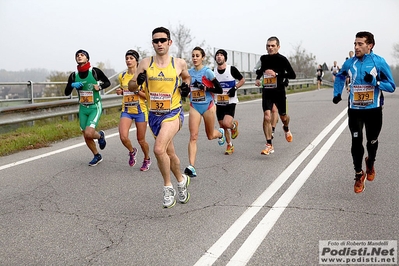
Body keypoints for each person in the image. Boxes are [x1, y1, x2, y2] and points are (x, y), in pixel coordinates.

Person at [128, 27, 191, 208]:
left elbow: (187, 78)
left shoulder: (178, 63)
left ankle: (168, 187)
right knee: (168, 153)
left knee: (157, 149)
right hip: (154, 115)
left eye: (163, 40)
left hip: (173, 113)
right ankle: (181, 180)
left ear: (169, 42)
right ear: (152, 43)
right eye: (156, 41)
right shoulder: (146, 63)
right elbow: (132, 86)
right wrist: (137, 81)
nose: (159, 43)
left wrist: (185, 86)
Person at [332, 31, 396, 194]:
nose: (356, 47)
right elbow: (340, 77)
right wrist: (337, 93)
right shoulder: (350, 63)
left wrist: (375, 82)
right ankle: (358, 174)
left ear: (370, 45)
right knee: (356, 140)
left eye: (360, 44)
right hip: (355, 109)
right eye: (355, 43)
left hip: (373, 110)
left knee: (372, 141)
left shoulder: (378, 62)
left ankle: (371, 163)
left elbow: (391, 86)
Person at [184, 47, 224, 178]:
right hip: (194, 105)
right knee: (193, 136)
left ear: (203, 57)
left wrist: (206, 88)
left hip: (208, 106)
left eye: (197, 55)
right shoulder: (188, 73)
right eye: (193, 55)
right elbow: (184, 86)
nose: (195, 58)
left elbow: (218, 89)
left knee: (210, 135)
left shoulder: (207, 72)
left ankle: (220, 134)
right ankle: (192, 167)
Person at [65, 49, 110, 166]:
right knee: (86, 135)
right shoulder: (74, 75)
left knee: (90, 133)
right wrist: (72, 85)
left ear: (87, 58)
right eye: (77, 55)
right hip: (83, 108)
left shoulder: (94, 71)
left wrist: (99, 86)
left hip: (95, 106)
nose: (79, 57)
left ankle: (100, 135)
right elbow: (66, 92)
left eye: (82, 55)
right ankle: (97, 155)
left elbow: (107, 83)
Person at [255, 36, 296, 155]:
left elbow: (292, 75)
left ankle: (286, 127)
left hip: (279, 92)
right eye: (268, 46)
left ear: (278, 47)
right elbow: (260, 70)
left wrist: (276, 74)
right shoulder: (264, 58)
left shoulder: (282, 59)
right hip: (267, 91)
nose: (270, 48)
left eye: (273, 46)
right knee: (267, 116)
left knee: (283, 117)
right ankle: (269, 144)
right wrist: (258, 79)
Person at [116, 49, 151, 171]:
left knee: (141, 140)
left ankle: (147, 158)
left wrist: (136, 91)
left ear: (137, 60)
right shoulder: (123, 76)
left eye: (131, 58)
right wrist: (120, 91)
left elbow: (148, 97)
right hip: (126, 110)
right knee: (123, 137)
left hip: (140, 111)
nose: (128, 61)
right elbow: (123, 89)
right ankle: (132, 151)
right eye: (126, 58)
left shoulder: (143, 76)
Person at [213, 49, 245, 155]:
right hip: (219, 102)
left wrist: (234, 88)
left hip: (230, 101)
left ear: (225, 58)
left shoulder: (231, 69)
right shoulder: (213, 71)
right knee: (222, 126)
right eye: (217, 55)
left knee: (227, 124)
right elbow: (210, 85)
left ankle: (234, 126)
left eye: (221, 55)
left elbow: (242, 80)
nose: (219, 56)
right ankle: (229, 145)